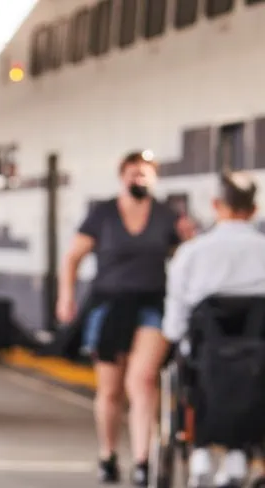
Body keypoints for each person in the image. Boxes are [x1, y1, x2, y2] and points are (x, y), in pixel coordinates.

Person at [56, 151, 192, 485]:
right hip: (109, 305)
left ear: (154, 179)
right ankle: (108, 454)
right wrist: (66, 296)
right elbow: (73, 257)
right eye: (134, 173)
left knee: (143, 380)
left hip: (151, 304)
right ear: (122, 176)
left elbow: (190, 258)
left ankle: (143, 461)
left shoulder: (167, 216)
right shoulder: (102, 214)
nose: (139, 179)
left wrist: (190, 239)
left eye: (146, 174)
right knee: (111, 389)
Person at [156, 172, 265, 488]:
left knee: (193, 372)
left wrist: (174, 341)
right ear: (254, 209)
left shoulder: (192, 253)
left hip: (205, 357)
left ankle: (200, 451)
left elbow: (174, 322)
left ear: (217, 205)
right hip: (258, 360)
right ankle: (237, 457)